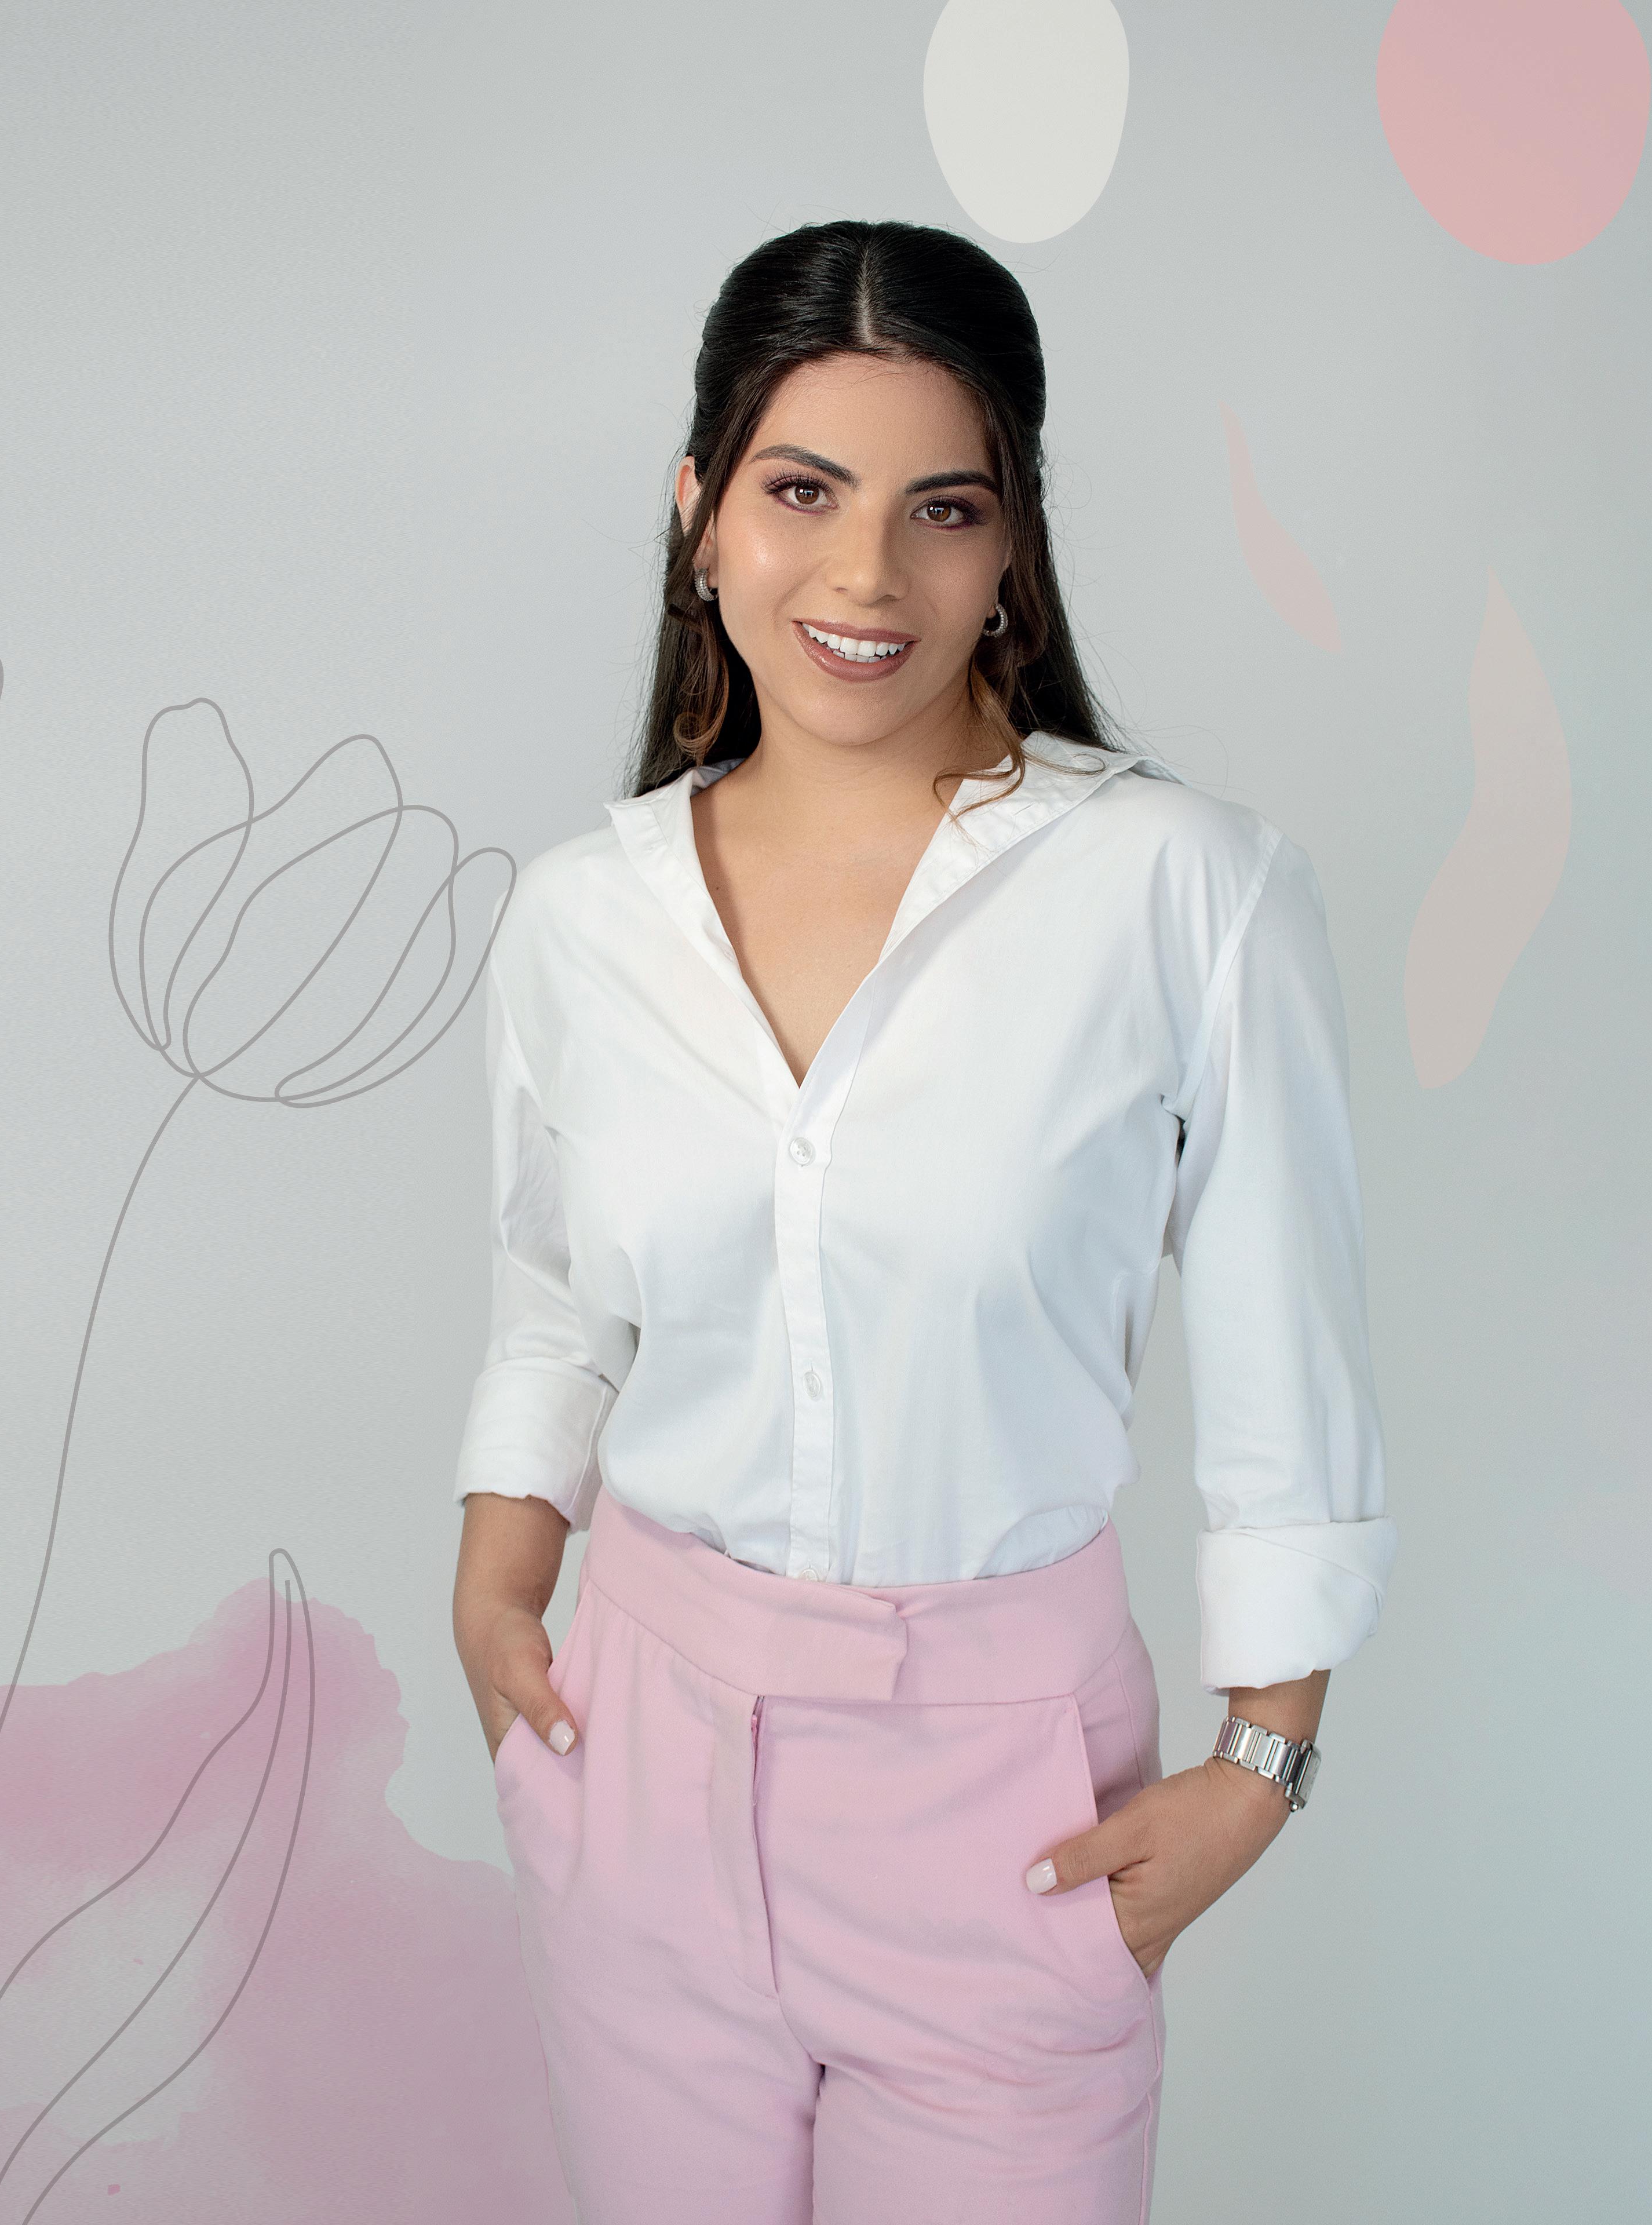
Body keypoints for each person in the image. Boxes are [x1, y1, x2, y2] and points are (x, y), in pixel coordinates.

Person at [450, 218, 1395, 2225]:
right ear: (699, 512)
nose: (867, 576)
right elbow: (553, 1294)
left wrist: (1265, 1761)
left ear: (1011, 543)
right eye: (802, 493)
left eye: (939, 509)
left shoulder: (1186, 891)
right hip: (638, 1760)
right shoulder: (578, 919)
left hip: (1005, 1810)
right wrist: (497, 1574)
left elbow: (1285, 1347)